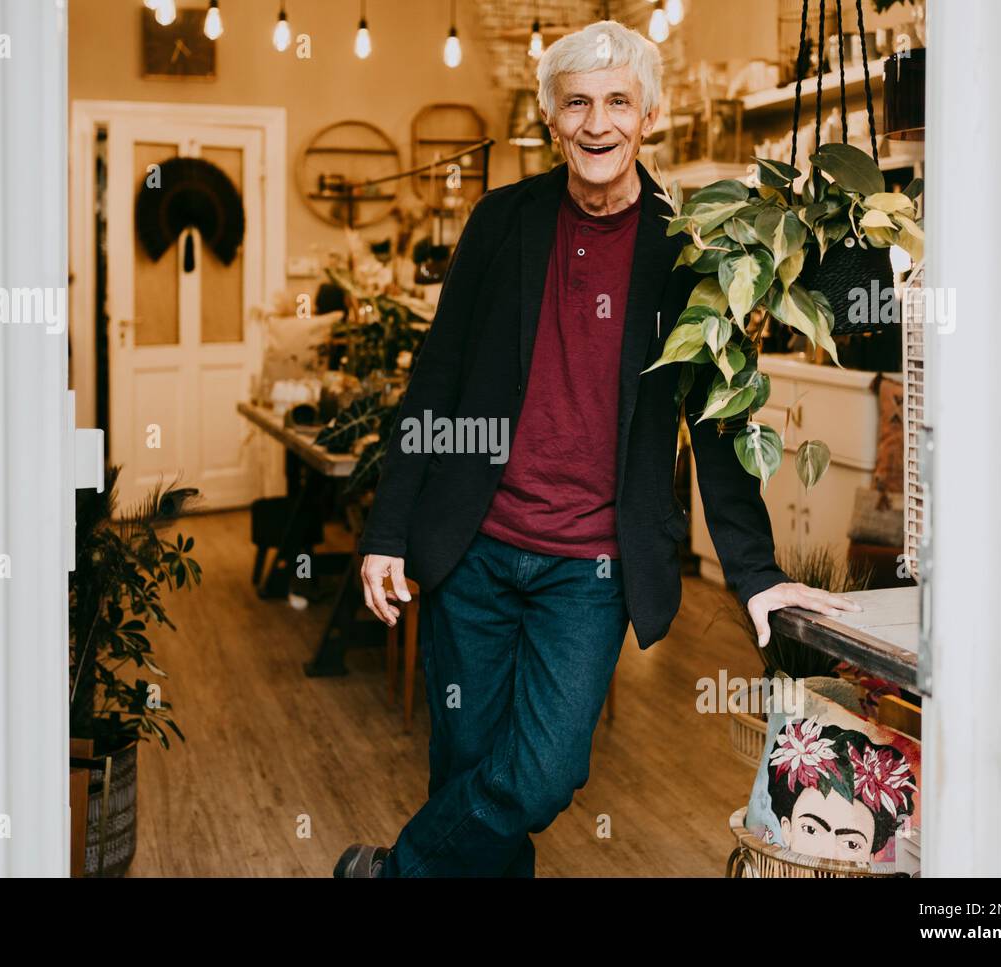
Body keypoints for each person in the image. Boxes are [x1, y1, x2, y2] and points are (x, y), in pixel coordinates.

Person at [334, 19, 861, 879]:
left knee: (542, 775)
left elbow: (717, 418)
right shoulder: (500, 222)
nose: (597, 122)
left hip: (591, 567)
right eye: (576, 102)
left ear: (648, 115)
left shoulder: (692, 248)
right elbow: (433, 382)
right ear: (551, 118)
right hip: (474, 548)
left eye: (618, 101)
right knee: (469, 771)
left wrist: (756, 573)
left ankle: (390, 873)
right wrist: (387, 530)